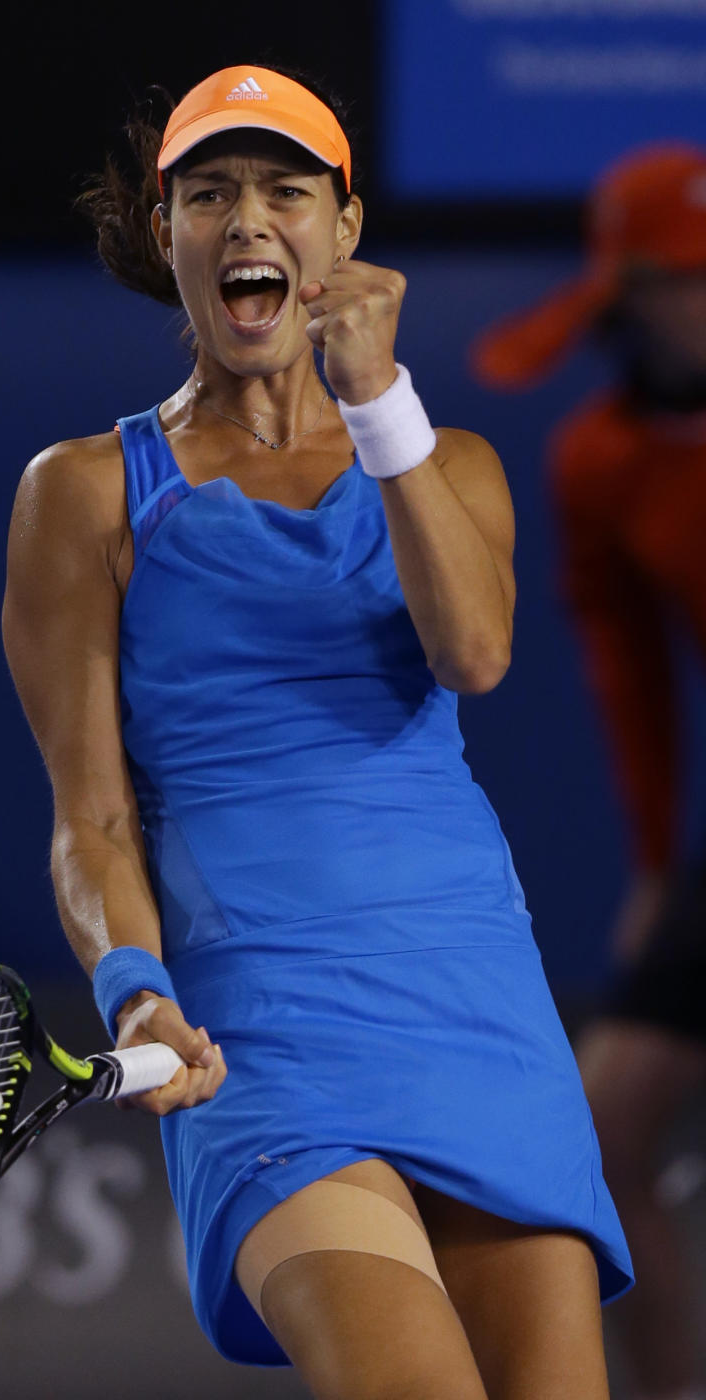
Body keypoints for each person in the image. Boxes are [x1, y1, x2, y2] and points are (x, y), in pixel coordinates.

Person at [2, 64, 633, 1400]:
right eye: (209, 194)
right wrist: (134, 987)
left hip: (473, 1004)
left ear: (342, 234)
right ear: (164, 232)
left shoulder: (445, 463)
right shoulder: (87, 493)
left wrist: (378, 397)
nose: (247, 221)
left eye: (285, 191)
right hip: (260, 1030)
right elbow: (92, 819)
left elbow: (476, 652)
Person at [471, 143, 706, 1400]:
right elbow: (636, 681)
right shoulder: (600, 463)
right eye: (684, 277)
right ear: (627, 290)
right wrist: (661, 863)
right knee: (594, 1139)